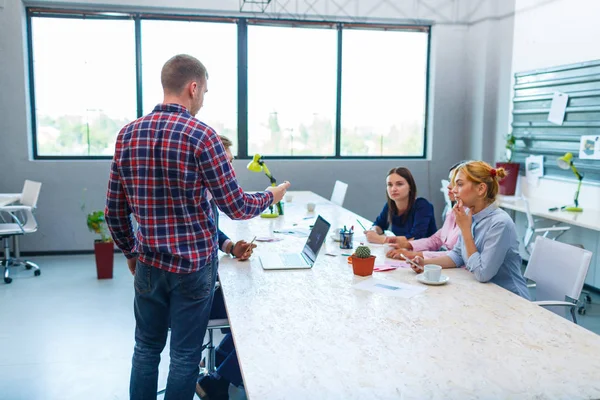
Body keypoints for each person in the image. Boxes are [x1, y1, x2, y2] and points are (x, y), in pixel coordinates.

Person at [104, 54, 290, 400]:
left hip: (148, 264)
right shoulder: (202, 136)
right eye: (204, 90)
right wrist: (269, 195)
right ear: (193, 87)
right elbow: (235, 206)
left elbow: (114, 211)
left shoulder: (127, 135)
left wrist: (132, 252)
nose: (203, 98)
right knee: (185, 356)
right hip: (192, 269)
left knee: (145, 350)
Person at [408, 161, 530, 299]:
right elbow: (457, 256)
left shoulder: (500, 223)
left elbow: (482, 273)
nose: (453, 190)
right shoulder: (470, 215)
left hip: (511, 299)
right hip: (485, 295)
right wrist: (425, 264)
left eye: (459, 184)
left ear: (481, 189)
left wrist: (465, 230)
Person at [386, 162, 463, 260]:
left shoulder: (422, 205)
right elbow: (436, 239)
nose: (448, 186)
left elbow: (458, 255)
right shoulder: (453, 212)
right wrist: (406, 244)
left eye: (458, 183)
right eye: (389, 185)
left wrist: (414, 254)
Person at [365, 167, 436, 244]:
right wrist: (373, 231)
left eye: (399, 184)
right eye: (390, 185)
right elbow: (379, 224)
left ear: (410, 187)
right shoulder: (390, 205)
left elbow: (415, 238)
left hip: (426, 253)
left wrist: (381, 239)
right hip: (403, 251)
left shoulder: (423, 206)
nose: (393, 189)